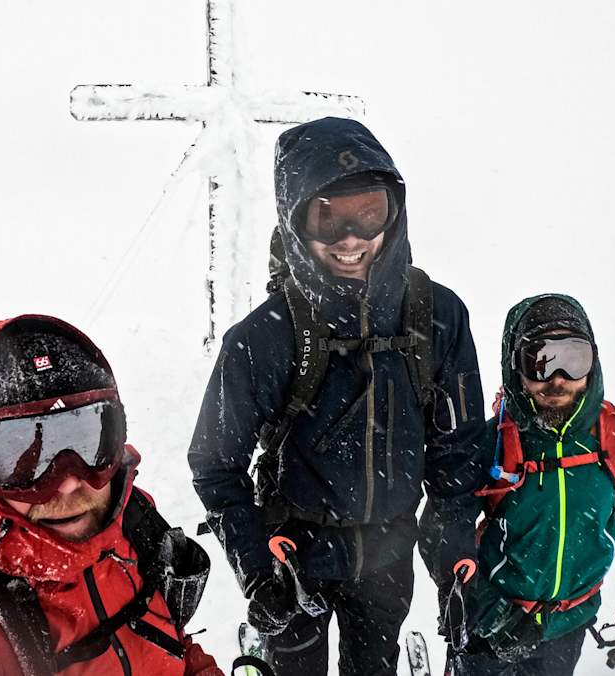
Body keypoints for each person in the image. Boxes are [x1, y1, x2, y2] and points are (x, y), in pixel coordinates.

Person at [188, 116, 488, 676]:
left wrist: (452, 557)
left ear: (394, 211)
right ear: (295, 221)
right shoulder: (263, 338)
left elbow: (460, 451)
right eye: (327, 217)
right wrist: (256, 568)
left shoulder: (437, 316)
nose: (350, 238)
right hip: (294, 560)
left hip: (389, 557)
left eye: (368, 212)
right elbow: (214, 463)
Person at [0, 315, 223, 676]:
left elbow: (169, 640)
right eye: (18, 456)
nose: (68, 483)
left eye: (87, 440)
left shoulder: (132, 524)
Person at [449, 295, 615, 675]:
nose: (558, 379)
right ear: (515, 366)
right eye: (540, 362)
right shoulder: (493, 441)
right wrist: (481, 607)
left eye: (574, 360)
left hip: (568, 624)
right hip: (491, 623)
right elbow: (446, 525)